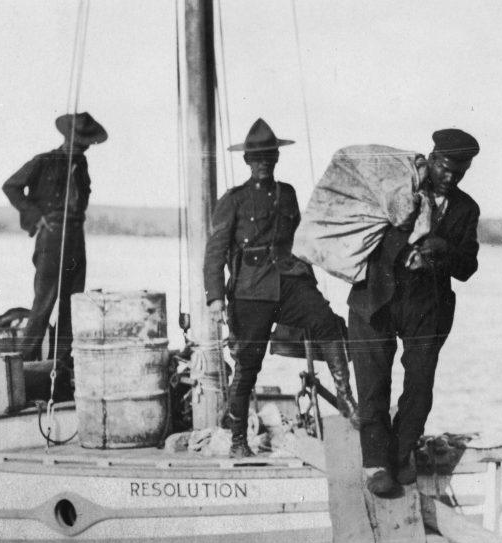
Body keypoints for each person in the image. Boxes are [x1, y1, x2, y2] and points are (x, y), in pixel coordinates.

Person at [204, 118, 358, 458]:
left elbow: (299, 242)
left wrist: (311, 283)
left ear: (276, 159)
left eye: (269, 157)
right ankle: (238, 440)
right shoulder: (234, 200)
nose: (263, 163)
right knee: (248, 366)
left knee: (328, 323)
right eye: (257, 158)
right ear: (247, 161)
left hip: (289, 281)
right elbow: (215, 250)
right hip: (250, 291)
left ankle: (346, 396)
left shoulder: (286, 194)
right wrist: (215, 297)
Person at [347, 128, 480, 496]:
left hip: (427, 305)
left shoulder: (466, 209)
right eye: (444, 167)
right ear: (431, 157)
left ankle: (403, 452)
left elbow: (467, 266)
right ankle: (376, 464)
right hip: (375, 297)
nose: (450, 177)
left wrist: (441, 249)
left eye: (460, 171)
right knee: (373, 382)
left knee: (419, 385)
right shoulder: (397, 187)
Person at [3, 112, 108, 371]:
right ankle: (23, 369)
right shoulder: (44, 161)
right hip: (52, 236)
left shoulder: (81, 165)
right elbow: (11, 186)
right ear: (68, 138)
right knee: (44, 304)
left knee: (72, 304)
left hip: (76, 236)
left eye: (87, 142)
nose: (84, 146)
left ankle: (60, 368)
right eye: (81, 141)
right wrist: (36, 217)